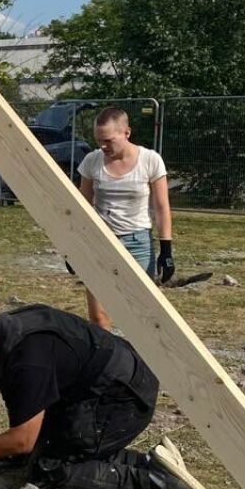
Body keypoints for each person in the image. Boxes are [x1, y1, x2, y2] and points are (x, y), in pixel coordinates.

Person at [0, 295, 217, 489]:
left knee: (49, 470)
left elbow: (22, 439)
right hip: (92, 388)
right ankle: (153, 462)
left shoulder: (27, 358)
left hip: (123, 397)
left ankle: (154, 480)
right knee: (43, 451)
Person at [77, 106, 174, 329]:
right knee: (99, 317)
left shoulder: (150, 160)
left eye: (108, 140)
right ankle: (109, 361)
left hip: (137, 243)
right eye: (99, 140)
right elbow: (83, 205)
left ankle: (140, 362)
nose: (103, 146)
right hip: (100, 242)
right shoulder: (92, 161)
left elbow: (161, 207)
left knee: (141, 315)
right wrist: (74, 247)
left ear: (126, 133)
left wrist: (166, 249)